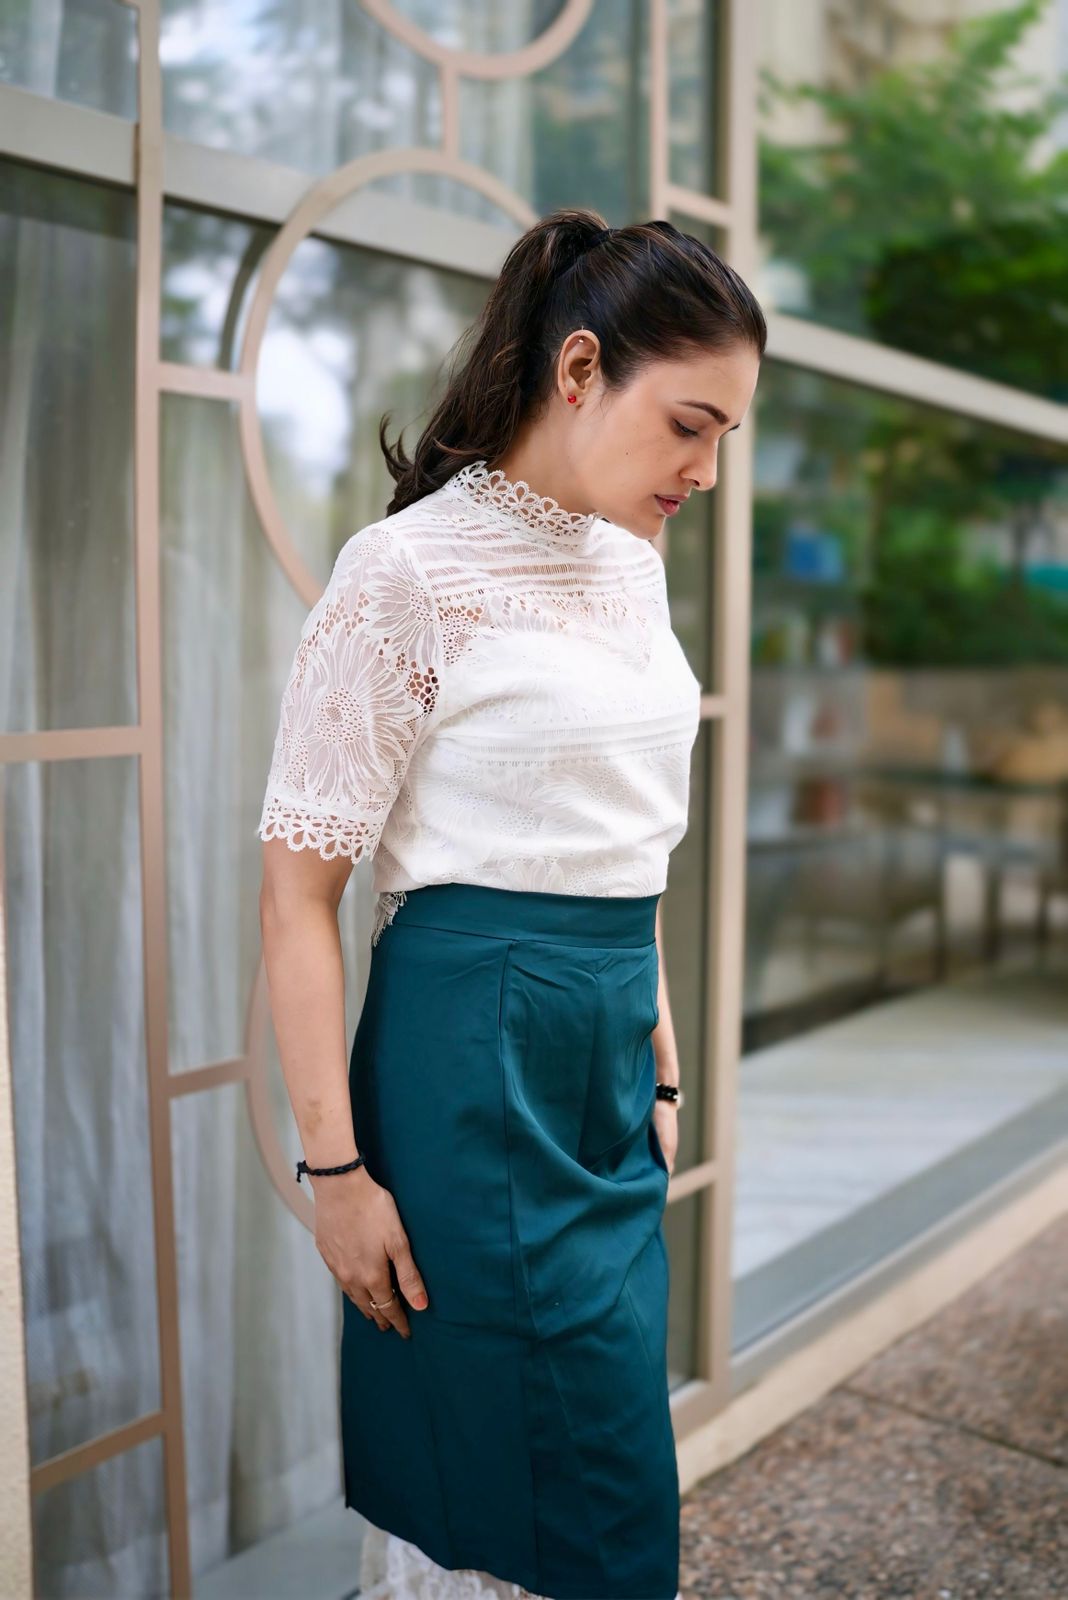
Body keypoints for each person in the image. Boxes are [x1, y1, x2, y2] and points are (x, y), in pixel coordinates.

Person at [256, 206, 764, 1600]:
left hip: (600, 1058)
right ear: (583, 368)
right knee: (506, 1470)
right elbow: (298, 898)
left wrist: (651, 1024)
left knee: (598, 1460)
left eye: (726, 438)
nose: (706, 472)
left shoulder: (628, 563)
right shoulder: (407, 573)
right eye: (690, 426)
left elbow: (616, 819)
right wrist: (337, 1177)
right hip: (471, 1057)